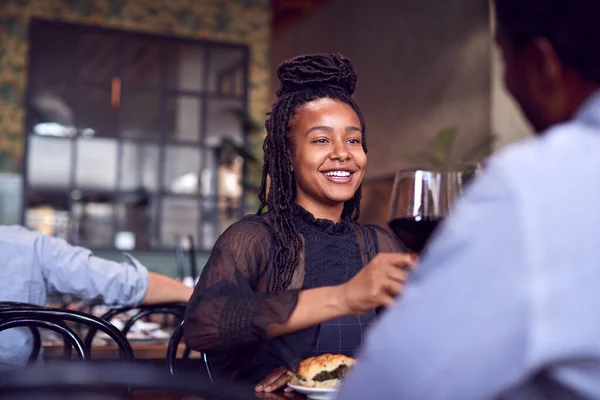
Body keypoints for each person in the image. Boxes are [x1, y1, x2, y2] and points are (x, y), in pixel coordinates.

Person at [337, 0, 600, 399]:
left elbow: (386, 390)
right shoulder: (257, 239)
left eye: (504, 58)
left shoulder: (533, 188)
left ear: (543, 65)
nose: (340, 154)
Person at [183, 53, 416, 391]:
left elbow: (406, 344)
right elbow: (203, 323)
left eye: (353, 140)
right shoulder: (254, 238)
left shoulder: (377, 243)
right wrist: (345, 297)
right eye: (321, 140)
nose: (343, 152)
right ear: (289, 156)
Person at [0, 225, 194, 368]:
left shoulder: (28, 247)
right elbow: (124, 282)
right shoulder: (28, 246)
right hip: (21, 391)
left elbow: (124, 282)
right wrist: (201, 296)